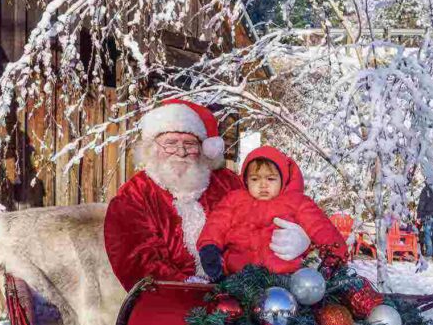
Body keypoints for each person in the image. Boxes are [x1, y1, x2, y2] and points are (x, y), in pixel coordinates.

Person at [104, 102, 312, 291]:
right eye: (170, 143)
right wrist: (190, 289)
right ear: (152, 147)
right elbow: (138, 261)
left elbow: (271, 208)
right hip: (169, 305)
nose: (181, 151)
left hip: (240, 296)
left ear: (203, 149)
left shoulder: (226, 184)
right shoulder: (133, 196)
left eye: (190, 143)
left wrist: (299, 238)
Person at [196, 145, 348, 280]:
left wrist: (335, 257)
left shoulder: (296, 202)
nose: (263, 185)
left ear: (283, 179)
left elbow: (321, 228)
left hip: (285, 278)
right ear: (246, 180)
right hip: (239, 277)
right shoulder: (235, 200)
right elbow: (216, 224)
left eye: (270, 179)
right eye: (255, 179)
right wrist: (209, 247)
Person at [417, 182, 433, 260]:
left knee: (427, 235)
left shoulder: (425, 190)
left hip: (427, 216)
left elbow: (421, 203)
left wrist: (419, 216)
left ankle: (429, 254)